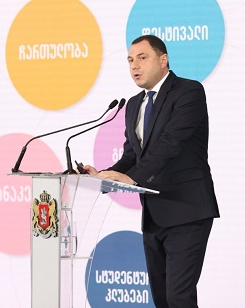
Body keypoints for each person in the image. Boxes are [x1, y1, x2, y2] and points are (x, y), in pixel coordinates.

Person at [82, 34, 219, 308]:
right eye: (130, 60)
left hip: (187, 211)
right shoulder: (134, 104)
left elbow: (171, 143)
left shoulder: (189, 92)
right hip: (153, 216)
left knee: (178, 298)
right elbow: (132, 156)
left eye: (142, 58)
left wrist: (132, 177)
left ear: (163, 60)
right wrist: (103, 176)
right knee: (162, 299)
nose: (135, 66)